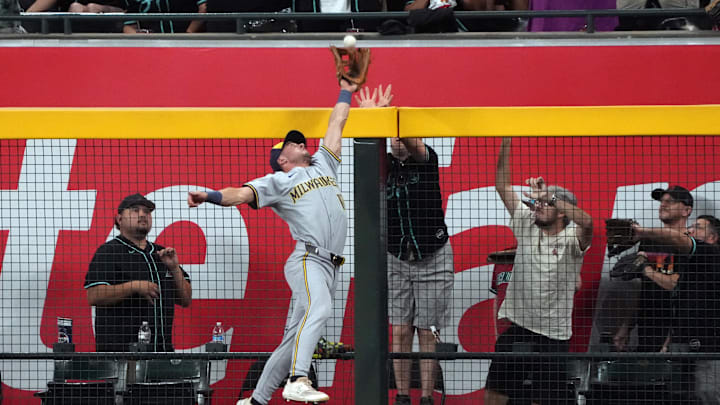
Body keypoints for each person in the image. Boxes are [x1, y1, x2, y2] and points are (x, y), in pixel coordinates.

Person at [188, 78, 357, 405]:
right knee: (320, 309)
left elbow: (337, 122)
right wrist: (207, 195)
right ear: (282, 158)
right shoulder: (278, 180)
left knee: (292, 339)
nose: (299, 144)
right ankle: (297, 378)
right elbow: (239, 194)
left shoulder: (324, 164)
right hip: (308, 260)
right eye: (291, 144)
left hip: (330, 264)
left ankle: (256, 401)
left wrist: (346, 89)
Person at [355, 85, 455, 405]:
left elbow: (412, 142)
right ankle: (400, 396)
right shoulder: (382, 166)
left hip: (432, 255)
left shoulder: (426, 160)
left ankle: (426, 397)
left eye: (402, 138)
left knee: (426, 331)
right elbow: (368, 143)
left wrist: (388, 117)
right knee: (399, 330)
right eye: (393, 138)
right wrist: (372, 119)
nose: (398, 142)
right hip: (397, 257)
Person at [485, 137, 593, 405]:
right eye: (539, 203)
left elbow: (587, 221)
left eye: (545, 205)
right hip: (519, 325)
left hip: (554, 333)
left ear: (560, 212)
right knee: (496, 391)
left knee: (544, 398)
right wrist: (506, 141)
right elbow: (501, 185)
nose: (538, 206)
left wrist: (549, 196)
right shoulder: (526, 223)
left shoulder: (572, 238)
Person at [84, 193, 192, 352]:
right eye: (135, 210)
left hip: (161, 352)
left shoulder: (162, 253)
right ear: (119, 219)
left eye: (147, 211)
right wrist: (134, 287)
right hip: (120, 354)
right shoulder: (109, 251)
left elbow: (185, 299)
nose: (142, 214)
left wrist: (175, 269)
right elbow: (93, 295)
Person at [631, 213, 720, 404]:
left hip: (709, 349)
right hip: (681, 346)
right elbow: (683, 307)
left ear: (712, 238)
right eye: (691, 226)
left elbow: (675, 237)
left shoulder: (712, 254)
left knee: (708, 396)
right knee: (677, 397)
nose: (690, 230)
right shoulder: (689, 265)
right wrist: (667, 343)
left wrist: (640, 232)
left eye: (698, 227)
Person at [613, 186, 694, 353]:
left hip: (678, 328)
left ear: (686, 210)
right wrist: (627, 326)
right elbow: (643, 289)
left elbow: (681, 287)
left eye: (670, 201)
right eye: (661, 201)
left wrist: (646, 270)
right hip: (647, 325)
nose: (663, 205)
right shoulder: (649, 242)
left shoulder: (692, 245)